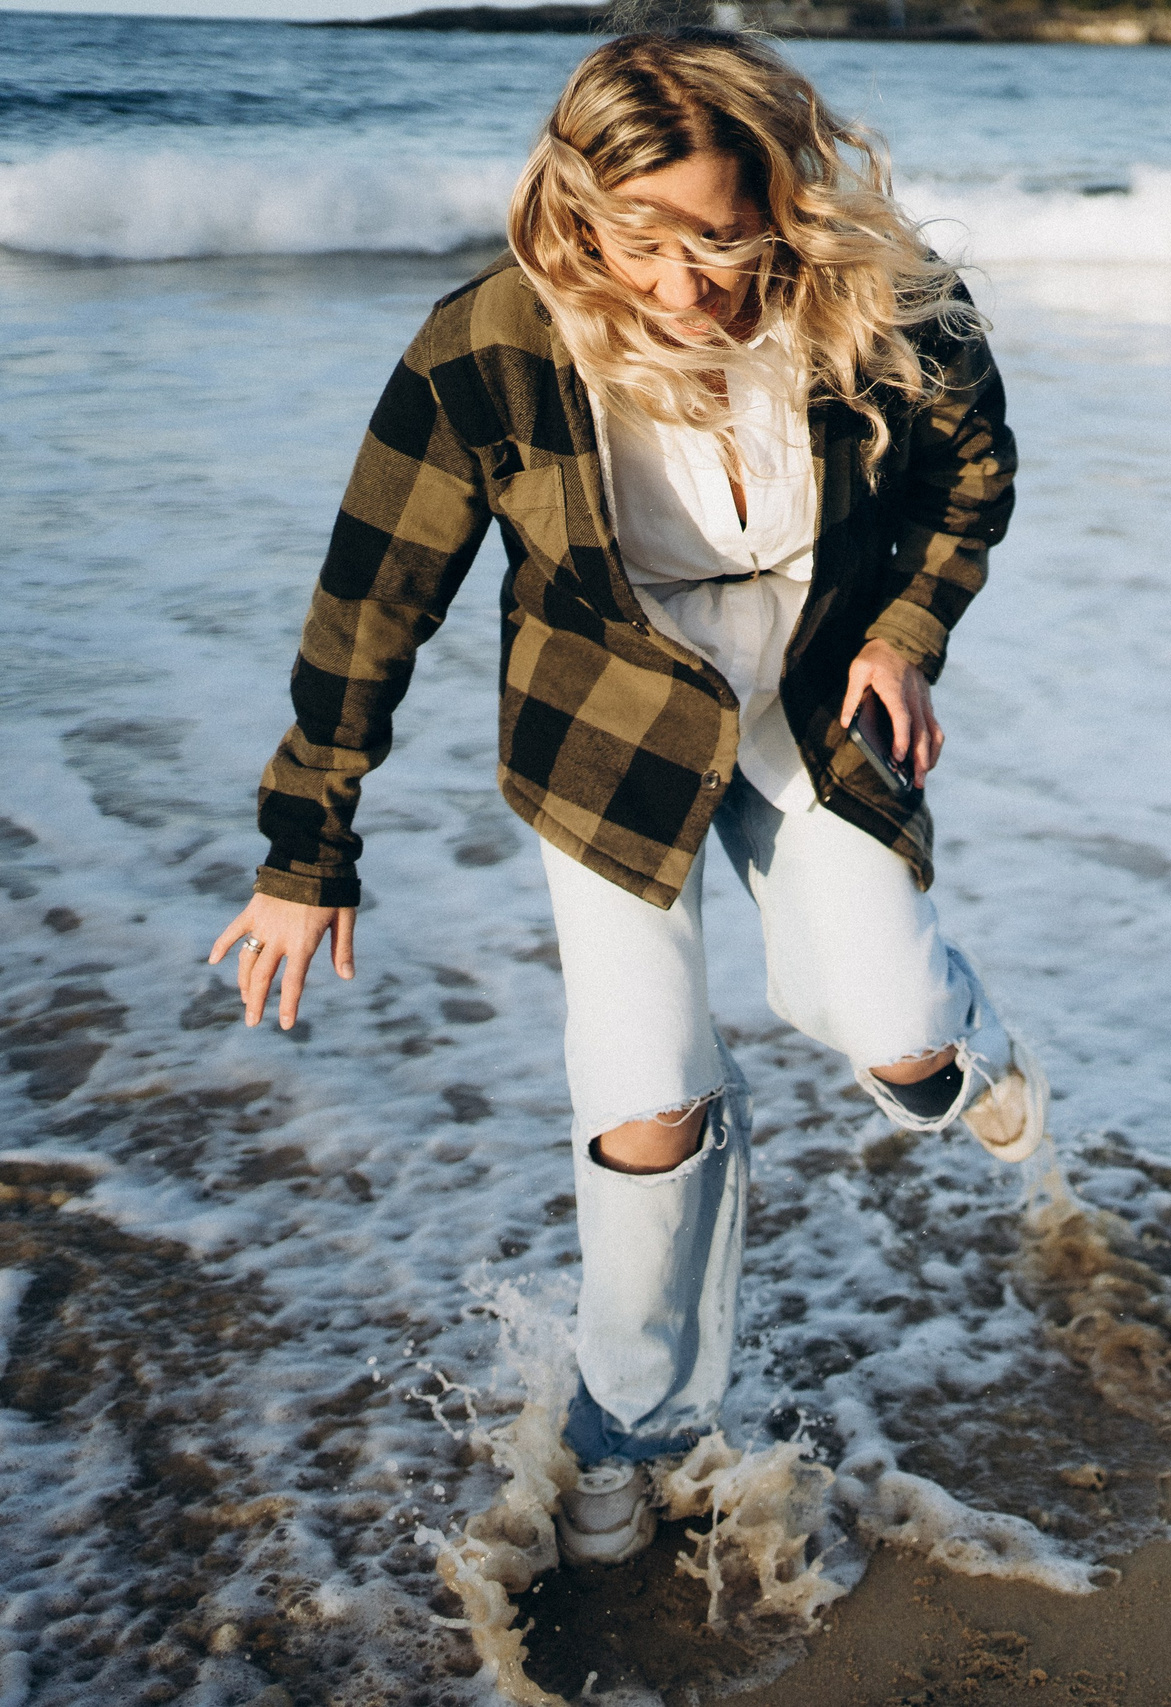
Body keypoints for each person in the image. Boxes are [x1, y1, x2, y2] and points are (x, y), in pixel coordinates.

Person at [207, 27, 1043, 1554]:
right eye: (638, 240)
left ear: (783, 199)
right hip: (607, 722)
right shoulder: (490, 343)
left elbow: (971, 470)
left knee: (903, 1047)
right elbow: (373, 597)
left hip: (813, 684)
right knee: (646, 1096)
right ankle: (636, 1423)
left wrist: (909, 631)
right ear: (577, 207)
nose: (681, 285)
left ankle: (966, 1048)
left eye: (721, 240)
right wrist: (305, 847)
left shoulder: (882, 298)